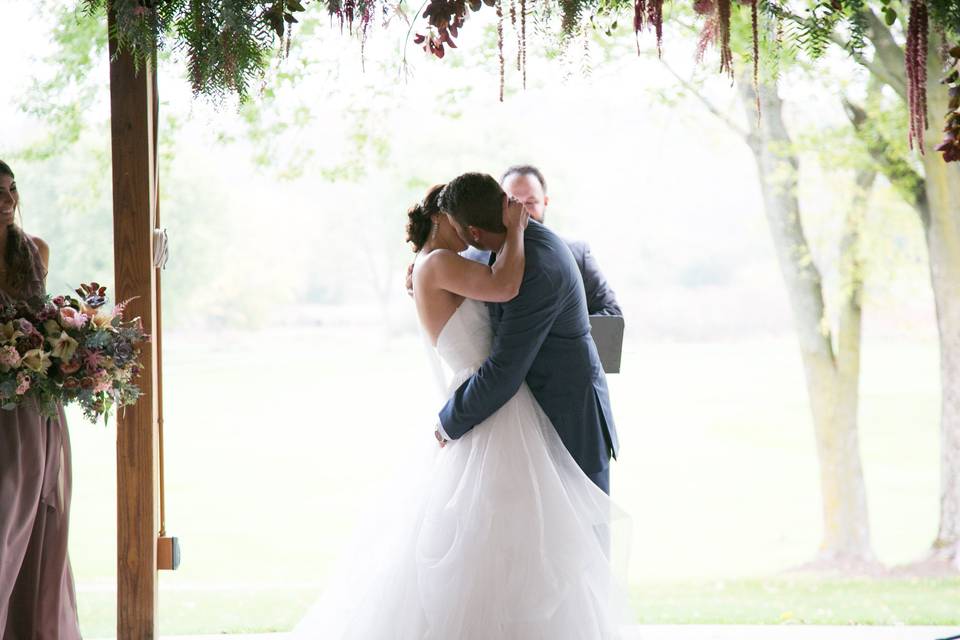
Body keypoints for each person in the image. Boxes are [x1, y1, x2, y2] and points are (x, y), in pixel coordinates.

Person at [293, 180, 628, 639]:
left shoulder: (519, 261)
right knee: (507, 546)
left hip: (562, 410)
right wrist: (506, 234)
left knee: (566, 548)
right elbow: (497, 303)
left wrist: (504, 236)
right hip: (498, 407)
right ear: (456, 225)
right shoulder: (453, 262)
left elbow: (505, 338)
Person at [0, 160, 82, 639]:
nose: (8, 201)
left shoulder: (35, 251)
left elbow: (46, 325)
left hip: (36, 411)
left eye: (12, 190)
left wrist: (74, 351)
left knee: (38, 522)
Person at [500, 165, 622, 316]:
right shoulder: (480, 258)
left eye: (530, 203)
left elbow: (612, 313)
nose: (522, 212)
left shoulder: (576, 253)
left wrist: (567, 329)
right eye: (513, 203)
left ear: (545, 202)